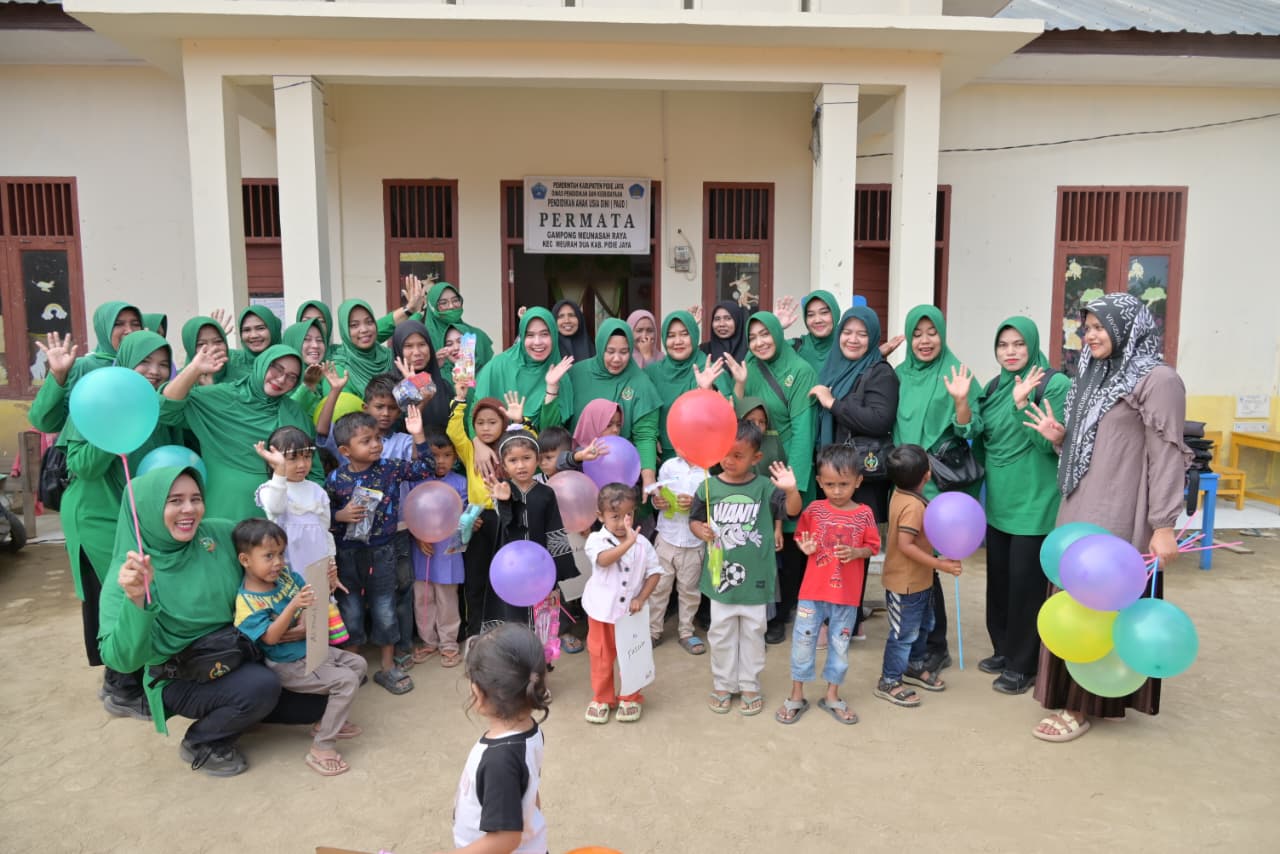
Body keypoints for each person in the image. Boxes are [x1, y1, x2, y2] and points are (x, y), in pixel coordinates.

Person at [1023, 293, 1188, 743]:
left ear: (1128, 328)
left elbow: (1168, 455)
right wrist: (1061, 439)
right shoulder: (1093, 374)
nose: (1090, 335)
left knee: (1101, 603)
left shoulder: (1159, 380)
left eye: (1100, 327)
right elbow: (1091, 445)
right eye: (1087, 327)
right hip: (1079, 508)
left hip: (1120, 511)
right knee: (1072, 602)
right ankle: (1065, 695)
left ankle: (1083, 706)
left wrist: (1164, 523)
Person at [98, 467, 328, 777]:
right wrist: (136, 601)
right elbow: (121, 660)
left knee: (318, 704)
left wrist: (319, 576)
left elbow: (269, 553)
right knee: (261, 688)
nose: (189, 509)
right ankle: (203, 741)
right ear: (147, 510)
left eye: (196, 498)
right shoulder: (126, 577)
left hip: (241, 653)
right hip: (184, 675)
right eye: (174, 500)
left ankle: (243, 709)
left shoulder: (216, 534)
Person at [57, 331, 202, 717]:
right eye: (145, 362)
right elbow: (82, 466)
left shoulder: (153, 406)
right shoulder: (96, 398)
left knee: (145, 585)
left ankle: (141, 674)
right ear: (125, 362)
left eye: (161, 363)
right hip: (98, 513)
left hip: (140, 511)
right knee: (119, 589)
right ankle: (119, 684)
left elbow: (172, 418)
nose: (154, 372)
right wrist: (115, 425)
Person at [960, 317, 1069, 695]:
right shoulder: (993, 387)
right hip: (1000, 502)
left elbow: (1049, 445)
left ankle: (1024, 665)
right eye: (1003, 344)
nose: (1011, 352)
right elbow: (977, 434)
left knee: (1026, 587)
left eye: (1019, 344)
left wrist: (1023, 405)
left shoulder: (1053, 384)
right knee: (1001, 583)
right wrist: (962, 403)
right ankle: (1004, 650)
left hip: (1034, 503)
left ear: (1033, 345)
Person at [232, 519, 367, 777]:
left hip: (310, 650)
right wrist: (295, 608)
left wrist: (323, 587)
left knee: (358, 665)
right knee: (346, 681)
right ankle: (322, 747)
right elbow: (271, 638)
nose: (278, 562)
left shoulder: (285, 578)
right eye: (268, 556)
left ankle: (325, 724)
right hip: (288, 664)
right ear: (245, 560)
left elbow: (309, 602)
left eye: (281, 554)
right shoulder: (248, 601)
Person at [892, 305, 984, 674]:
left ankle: (936, 643)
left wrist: (961, 402)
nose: (925, 340)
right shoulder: (899, 375)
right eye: (917, 333)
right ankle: (918, 638)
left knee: (926, 564)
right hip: (902, 482)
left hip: (935, 484)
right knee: (910, 563)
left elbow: (971, 429)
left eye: (932, 333)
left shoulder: (957, 372)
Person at [690, 421, 801, 716]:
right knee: (721, 632)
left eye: (738, 455)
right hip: (719, 579)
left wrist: (791, 490)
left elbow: (792, 511)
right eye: (725, 453)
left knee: (754, 631)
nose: (729, 460)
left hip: (756, 578)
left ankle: (750, 682)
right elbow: (695, 520)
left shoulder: (765, 487)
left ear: (756, 458)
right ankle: (723, 683)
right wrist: (699, 529)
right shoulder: (708, 486)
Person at [326, 408, 435, 695]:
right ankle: (353, 667)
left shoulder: (390, 468)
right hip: (346, 556)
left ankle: (387, 667)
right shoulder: (335, 479)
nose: (375, 444)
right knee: (349, 610)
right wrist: (340, 516)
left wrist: (418, 434)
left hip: (383, 551)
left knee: (385, 607)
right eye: (366, 440)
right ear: (345, 450)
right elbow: (323, 517)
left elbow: (426, 468)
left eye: (377, 439)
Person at [726, 311, 817, 646]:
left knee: (790, 534)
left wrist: (796, 479)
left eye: (766, 334)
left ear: (779, 334)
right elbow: (734, 411)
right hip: (751, 455)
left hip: (786, 457)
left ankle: (782, 612)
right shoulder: (746, 366)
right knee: (757, 535)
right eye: (754, 336)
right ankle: (755, 606)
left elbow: (805, 428)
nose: (760, 342)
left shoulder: (800, 370)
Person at [777, 445, 881, 725]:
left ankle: (832, 695)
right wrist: (805, 546)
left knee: (840, 645)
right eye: (830, 484)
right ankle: (796, 694)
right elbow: (801, 537)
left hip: (847, 596)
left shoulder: (864, 514)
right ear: (820, 481)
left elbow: (873, 547)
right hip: (812, 592)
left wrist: (856, 552)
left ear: (858, 481)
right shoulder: (814, 509)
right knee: (802, 642)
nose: (837, 491)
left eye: (844, 484)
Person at [160, 343, 324, 520]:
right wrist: (194, 369)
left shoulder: (295, 414)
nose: (282, 379)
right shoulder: (222, 397)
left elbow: (314, 472)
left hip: (281, 522)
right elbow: (166, 410)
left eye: (292, 377)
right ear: (262, 364)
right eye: (277, 368)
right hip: (224, 513)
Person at [445, 623, 550, 854]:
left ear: (479, 694)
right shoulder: (529, 731)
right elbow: (529, 792)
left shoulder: (498, 760)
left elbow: (506, 840)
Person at [875, 445, 962, 708]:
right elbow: (905, 544)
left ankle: (913, 666)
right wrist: (940, 563)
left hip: (919, 581)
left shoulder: (900, 493)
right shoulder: (912, 506)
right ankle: (889, 680)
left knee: (924, 625)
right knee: (903, 633)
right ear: (927, 474)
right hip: (905, 585)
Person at [485, 427, 578, 654]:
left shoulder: (546, 493)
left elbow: (555, 530)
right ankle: (520, 662)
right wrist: (505, 502)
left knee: (544, 619)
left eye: (526, 458)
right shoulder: (503, 490)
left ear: (537, 459)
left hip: (542, 569)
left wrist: (557, 573)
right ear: (504, 465)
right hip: (513, 571)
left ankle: (541, 666)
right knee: (517, 619)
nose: (520, 465)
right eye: (513, 460)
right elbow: (506, 529)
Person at [581, 483, 663, 724]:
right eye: (614, 516)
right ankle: (603, 698)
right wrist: (628, 542)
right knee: (601, 655)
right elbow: (604, 561)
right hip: (601, 613)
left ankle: (631, 696)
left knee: (632, 656)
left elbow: (655, 572)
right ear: (600, 516)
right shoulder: (596, 540)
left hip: (631, 615)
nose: (622, 522)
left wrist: (641, 598)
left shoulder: (643, 544)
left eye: (628, 515)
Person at [809, 305, 899, 521]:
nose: (853, 339)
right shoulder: (834, 368)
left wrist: (833, 404)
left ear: (873, 337)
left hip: (861, 478)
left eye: (862, 334)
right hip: (830, 472)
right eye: (847, 332)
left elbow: (880, 420)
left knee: (854, 548)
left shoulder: (881, 372)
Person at [449, 390, 520, 638]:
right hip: (478, 519)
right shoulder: (470, 450)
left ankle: (507, 630)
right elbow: (453, 432)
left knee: (507, 575)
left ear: (504, 423)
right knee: (476, 578)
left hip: (507, 516)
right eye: (480, 423)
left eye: (493, 422)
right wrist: (459, 400)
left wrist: (518, 421)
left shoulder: (512, 447)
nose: (486, 428)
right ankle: (475, 631)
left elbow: (529, 440)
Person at [569, 320, 663, 493]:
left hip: (621, 474)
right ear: (600, 347)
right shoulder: (577, 374)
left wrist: (648, 477)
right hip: (579, 469)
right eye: (610, 351)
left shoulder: (640, 382)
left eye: (624, 352)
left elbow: (645, 435)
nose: (617, 359)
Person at [29, 301, 143, 433]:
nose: (129, 331)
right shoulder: (85, 367)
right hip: (97, 450)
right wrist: (58, 375)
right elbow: (45, 423)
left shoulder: (148, 367)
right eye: (118, 324)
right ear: (103, 329)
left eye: (135, 324)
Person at [645, 310, 729, 465]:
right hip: (662, 458)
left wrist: (707, 391)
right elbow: (644, 414)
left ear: (694, 335)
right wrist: (652, 439)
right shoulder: (652, 372)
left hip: (704, 459)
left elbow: (727, 414)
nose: (678, 341)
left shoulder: (710, 368)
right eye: (671, 335)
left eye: (684, 334)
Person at [413, 433, 468, 668]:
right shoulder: (415, 482)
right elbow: (410, 510)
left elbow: (463, 515)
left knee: (447, 598)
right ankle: (428, 640)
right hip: (421, 548)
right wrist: (417, 536)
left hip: (448, 550)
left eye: (447, 455)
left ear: (455, 457)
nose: (440, 461)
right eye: (434, 456)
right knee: (423, 597)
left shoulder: (460, 483)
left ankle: (448, 643)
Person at [647, 444, 708, 654]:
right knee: (658, 587)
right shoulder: (668, 466)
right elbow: (659, 494)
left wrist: (695, 504)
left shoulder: (707, 474)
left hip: (694, 542)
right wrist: (658, 502)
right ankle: (653, 631)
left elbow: (712, 507)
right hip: (666, 537)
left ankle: (686, 632)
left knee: (690, 590)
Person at [475, 307, 576, 433]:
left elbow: (550, 434)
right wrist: (477, 444)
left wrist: (552, 387)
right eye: (530, 335)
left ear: (554, 336)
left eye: (544, 334)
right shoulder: (498, 366)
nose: (537, 342)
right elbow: (475, 411)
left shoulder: (560, 375)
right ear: (522, 336)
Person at [392, 317, 454, 434]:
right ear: (398, 349)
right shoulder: (389, 386)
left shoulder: (443, 386)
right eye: (408, 346)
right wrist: (410, 387)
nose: (417, 352)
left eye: (422, 344)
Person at [419, 280, 495, 372]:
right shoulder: (422, 339)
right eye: (443, 303)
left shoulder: (477, 335)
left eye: (455, 300)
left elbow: (490, 374)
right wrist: (433, 365)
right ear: (432, 307)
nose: (451, 306)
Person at [332, 298, 395, 400]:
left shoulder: (391, 356)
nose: (364, 330)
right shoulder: (337, 369)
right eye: (354, 325)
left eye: (369, 322)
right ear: (344, 330)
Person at [283, 317, 332, 414]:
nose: (315, 345)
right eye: (306, 339)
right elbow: (288, 415)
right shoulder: (280, 380)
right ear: (293, 343)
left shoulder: (329, 375)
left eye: (319, 340)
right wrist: (307, 387)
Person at [227, 306, 282, 380]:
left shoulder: (289, 362)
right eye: (246, 330)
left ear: (273, 330)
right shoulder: (230, 359)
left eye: (260, 328)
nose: (254, 335)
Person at [180, 315, 233, 386]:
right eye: (201, 344)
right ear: (190, 348)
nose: (212, 348)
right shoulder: (177, 384)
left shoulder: (242, 376)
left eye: (218, 341)